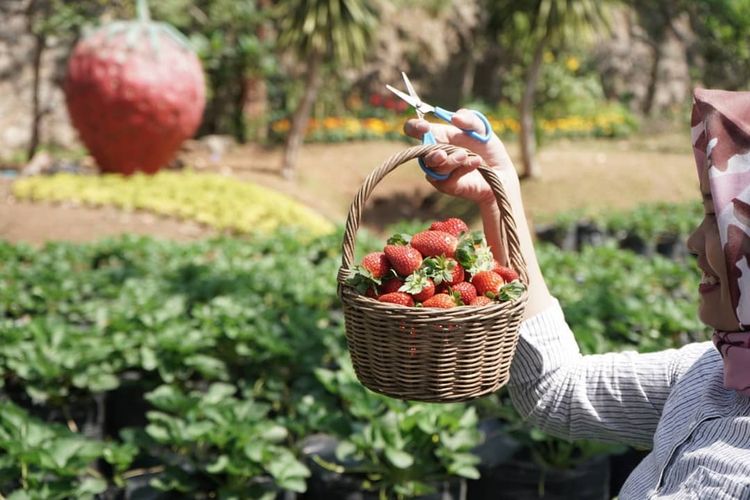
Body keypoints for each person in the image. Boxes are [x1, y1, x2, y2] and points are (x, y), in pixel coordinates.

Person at [404, 88, 750, 499]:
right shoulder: (709, 373)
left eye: (716, 216)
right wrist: (498, 192)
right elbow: (557, 390)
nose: (692, 240)